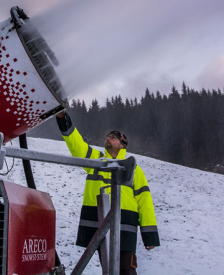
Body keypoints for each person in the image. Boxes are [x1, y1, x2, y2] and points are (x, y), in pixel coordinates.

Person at [56, 112, 160, 275]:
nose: (107, 138)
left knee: (126, 269)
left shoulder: (134, 170)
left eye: (112, 137)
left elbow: (144, 201)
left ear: (123, 144)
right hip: (99, 222)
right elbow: (77, 145)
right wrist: (63, 120)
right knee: (109, 269)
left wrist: (149, 235)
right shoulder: (96, 160)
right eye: (107, 136)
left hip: (125, 226)